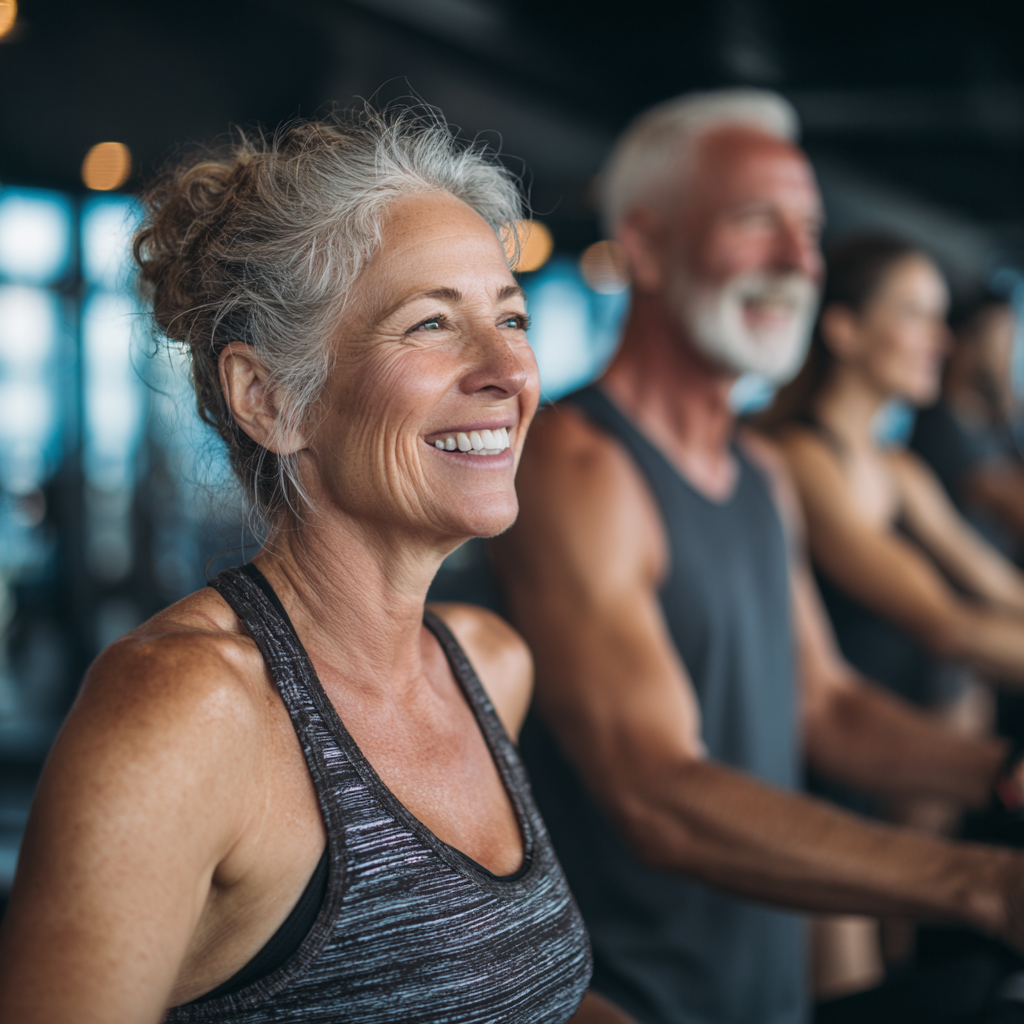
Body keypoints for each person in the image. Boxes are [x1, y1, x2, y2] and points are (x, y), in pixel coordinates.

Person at [0, 111, 619, 1024]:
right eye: (431, 323)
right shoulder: (184, 712)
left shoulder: (489, 666)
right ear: (274, 399)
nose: (510, 371)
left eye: (511, 316)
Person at [485, 90, 1024, 1024]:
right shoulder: (578, 462)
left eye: (809, 230)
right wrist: (984, 884)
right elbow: (655, 788)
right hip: (638, 999)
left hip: (771, 995)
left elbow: (828, 709)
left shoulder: (765, 472)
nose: (798, 261)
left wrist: (1002, 772)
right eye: (755, 221)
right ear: (646, 248)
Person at [770, 236, 1024, 708]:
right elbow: (949, 626)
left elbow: (1000, 586)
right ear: (844, 329)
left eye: (939, 318)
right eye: (915, 314)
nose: (942, 340)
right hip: (841, 756)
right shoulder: (803, 458)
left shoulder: (899, 468)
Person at [911, 290, 1024, 560]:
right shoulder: (938, 425)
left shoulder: (993, 424)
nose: (1008, 357)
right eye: (1001, 340)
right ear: (964, 344)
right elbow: (1009, 501)